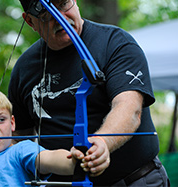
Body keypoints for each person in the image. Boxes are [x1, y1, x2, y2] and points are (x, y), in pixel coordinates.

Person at [9, 0, 169, 186]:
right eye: (47, 16)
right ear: (29, 21)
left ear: (74, 1)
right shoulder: (24, 68)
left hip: (134, 180)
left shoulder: (115, 42)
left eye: (63, 5)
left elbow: (129, 107)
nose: (60, 18)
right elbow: (19, 138)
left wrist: (102, 142)